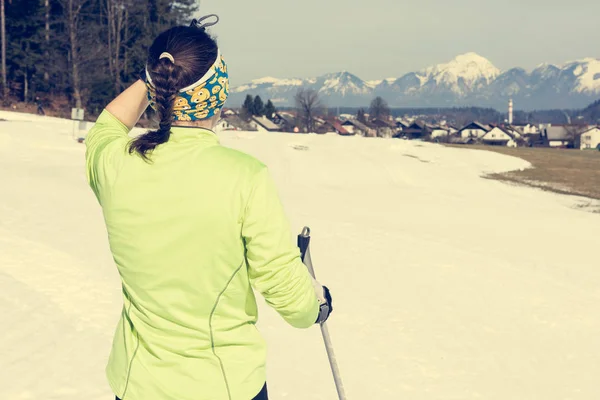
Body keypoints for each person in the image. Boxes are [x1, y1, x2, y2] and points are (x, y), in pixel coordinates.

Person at [85, 19, 333, 400]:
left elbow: (107, 125)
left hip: (137, 384)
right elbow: (284, 286)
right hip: (224, 386)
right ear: (218, 93)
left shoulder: (114, 163)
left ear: (155, 88)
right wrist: (316, 304)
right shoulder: (245, 178)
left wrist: (158, 73)